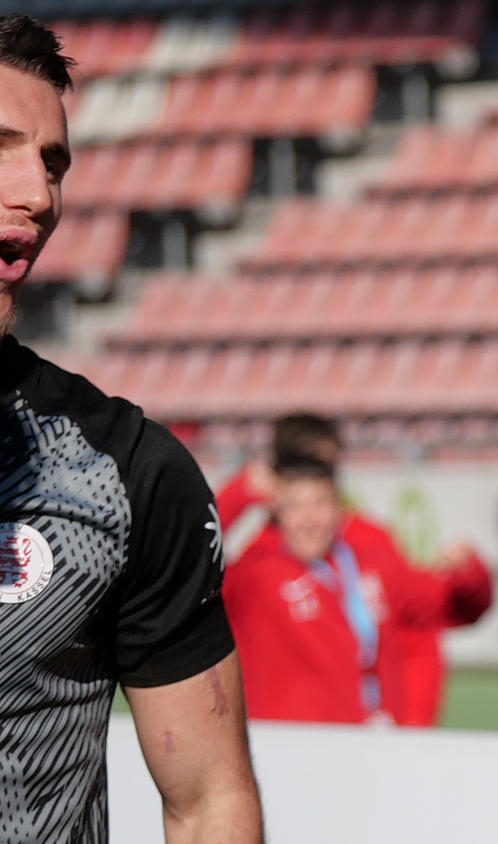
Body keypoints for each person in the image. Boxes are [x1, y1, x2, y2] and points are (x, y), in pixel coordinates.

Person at [0, 15, 261, 842]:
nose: (39, 196)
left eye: (53, 164)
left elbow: (209, 800)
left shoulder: (125, 470)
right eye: (1, 148)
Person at [216, 412, 491, 725]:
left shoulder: (370, 554)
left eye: (320, 499)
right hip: (285, 744)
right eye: (295, 502)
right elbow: (189, 565)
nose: (308, 518)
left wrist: (468, 573)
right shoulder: (255, 569)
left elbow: (443, 613)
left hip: (369, 741)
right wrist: (235, 497)